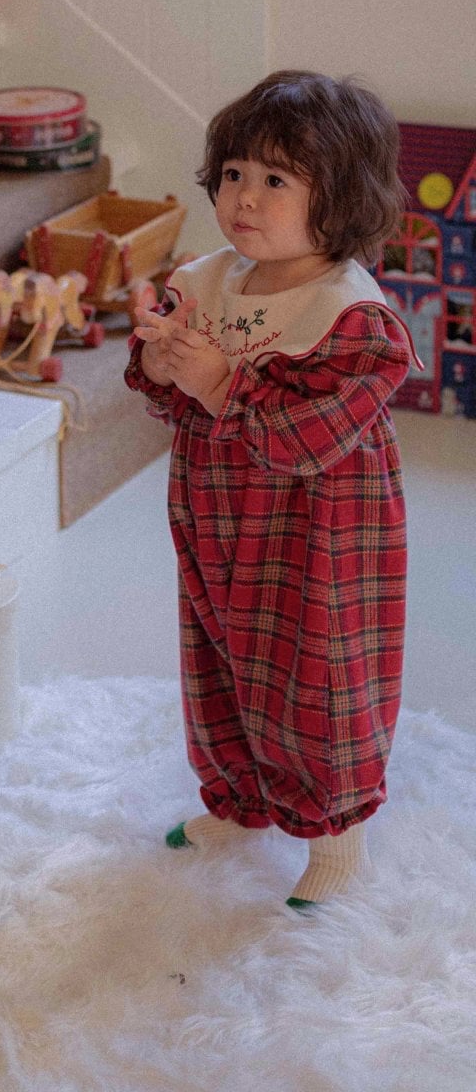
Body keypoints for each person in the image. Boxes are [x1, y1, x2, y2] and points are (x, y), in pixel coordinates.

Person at [125, 70, 415, 909]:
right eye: (233, 174)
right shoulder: (208, 279)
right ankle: (242, 800)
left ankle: (334, 834)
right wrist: (161, 363)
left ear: (342, 196)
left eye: (276, 179)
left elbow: (310, 436)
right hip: (212, 513)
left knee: (316, 676)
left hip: (315, 534)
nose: (245, 198)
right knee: (218, 657)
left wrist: (220, 383)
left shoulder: (352, 317)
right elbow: (162, 387)